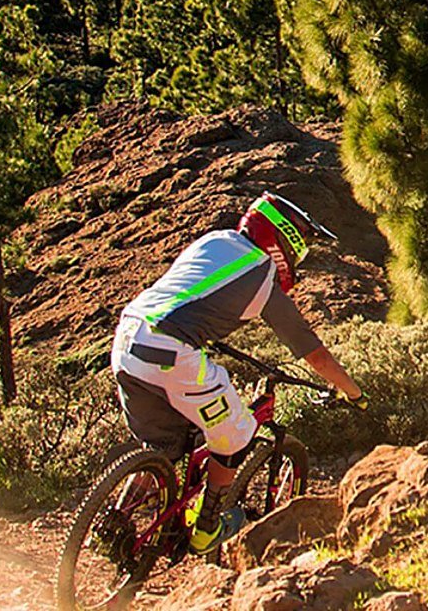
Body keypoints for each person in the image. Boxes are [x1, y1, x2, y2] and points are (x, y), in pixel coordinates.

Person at [110, 191, 366, 555]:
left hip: (128, 339)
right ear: (284, 240)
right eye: (301, 247)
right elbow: (314, 353)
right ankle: (207, 526)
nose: (299, 257)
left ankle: (114, 518)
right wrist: (354, 392)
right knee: (236, 434)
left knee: (164, 448)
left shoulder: (214, 240)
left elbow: (191, 295)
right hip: (171, 351)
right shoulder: (262, 273)